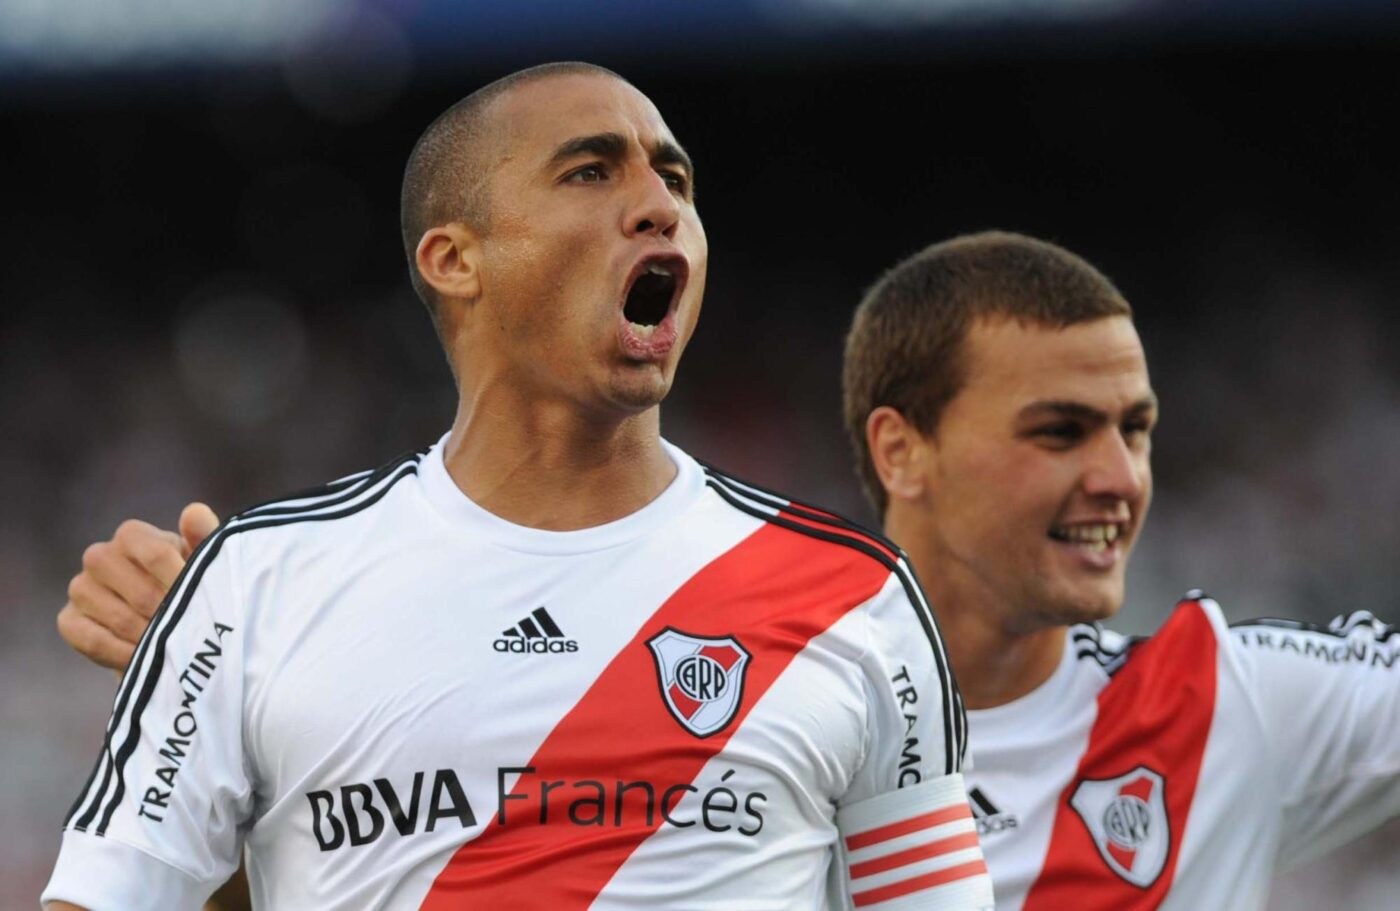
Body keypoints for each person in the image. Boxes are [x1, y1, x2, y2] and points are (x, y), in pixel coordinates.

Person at [42, 63, 993, 911]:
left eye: (675, 179)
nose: (659, 204)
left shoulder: (858, 595)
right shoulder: (253, 584)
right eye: (591, 171)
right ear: (455, 260)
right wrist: (222, 761)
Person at [842, 230, 1400, 908]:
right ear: (901, 452)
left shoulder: (1221, 704)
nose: (1122, 478)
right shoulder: (764, 721)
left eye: (1134, 430)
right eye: (1060, 432)